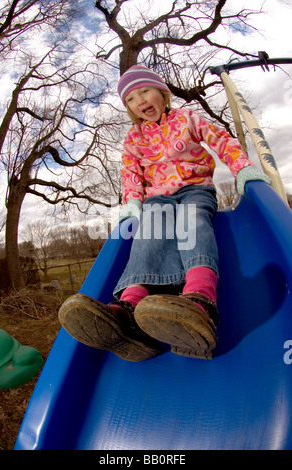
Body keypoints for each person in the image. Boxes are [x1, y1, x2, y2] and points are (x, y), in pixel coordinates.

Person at [58, 65, 270, 361]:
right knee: (149, 233)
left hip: (196, 189)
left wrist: (241, 168)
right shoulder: (135, 139)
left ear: (163, 93)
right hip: (157, 198)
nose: (140, 101)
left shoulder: (187, 118)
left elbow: (220, 140)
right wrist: (132, 203)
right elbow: (131, 172)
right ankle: (130, 311)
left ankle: (200, 302)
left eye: (145, 91)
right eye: (131, 99)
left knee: (192, 221)